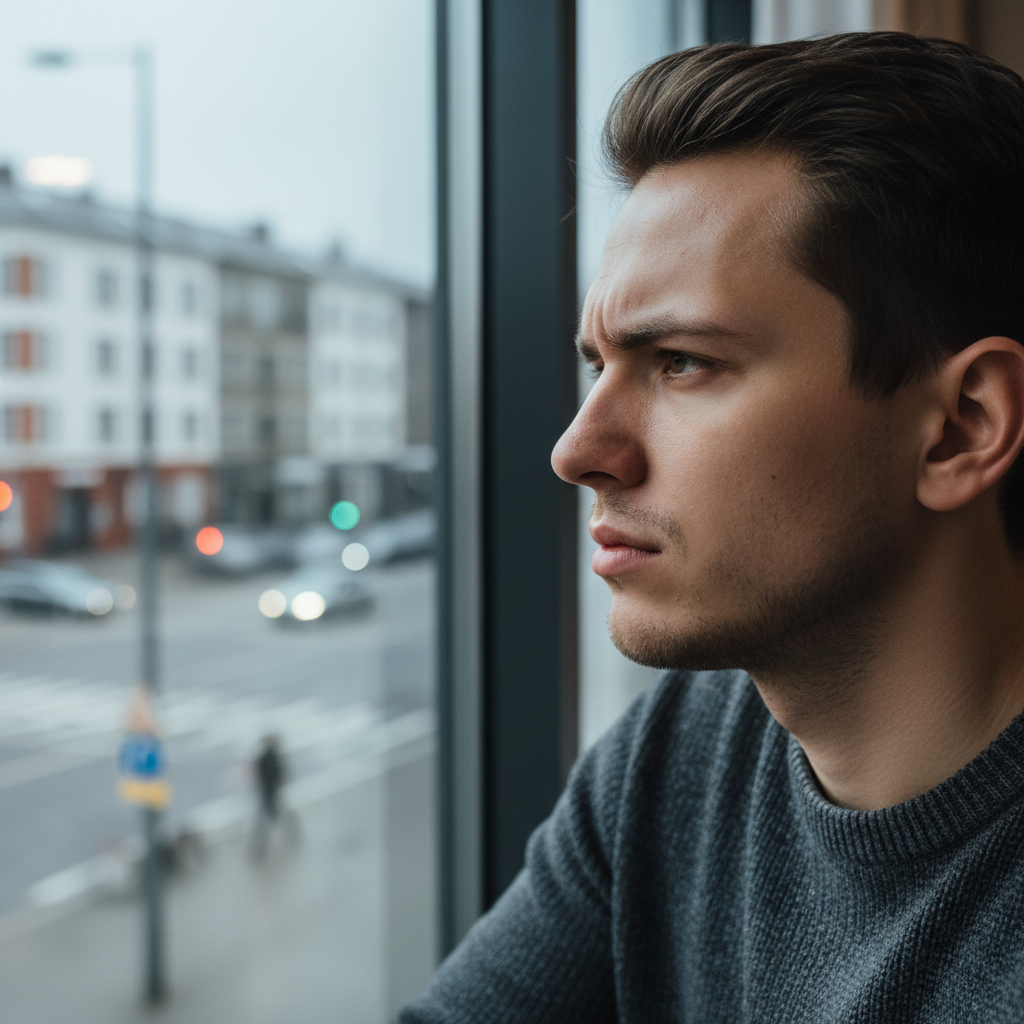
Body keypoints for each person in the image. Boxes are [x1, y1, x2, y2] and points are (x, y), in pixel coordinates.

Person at [399, 32, 1024, 1022]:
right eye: (596, 364)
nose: (577, 450)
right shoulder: (691, 746)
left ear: (959, 428)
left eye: (681, 362)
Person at [250, 733, 299, 859]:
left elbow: (263, 776)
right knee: (271, 821)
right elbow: (276, 774)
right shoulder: (269, 757)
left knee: (268, 822)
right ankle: (259, 849)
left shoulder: (267, 757)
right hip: (271, 792)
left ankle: (259, 850)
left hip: (270, 793)